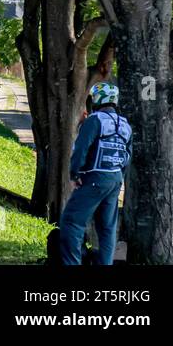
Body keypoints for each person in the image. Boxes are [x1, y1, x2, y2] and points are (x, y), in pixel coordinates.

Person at [59, 82, 132, 265]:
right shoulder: (125, 124)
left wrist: (75, 174)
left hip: (93, 179)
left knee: (71, 222)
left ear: (97, 99)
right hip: (115, 179)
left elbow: (81, 149)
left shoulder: (95, 119)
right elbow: (127, 156)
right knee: (107, 228)